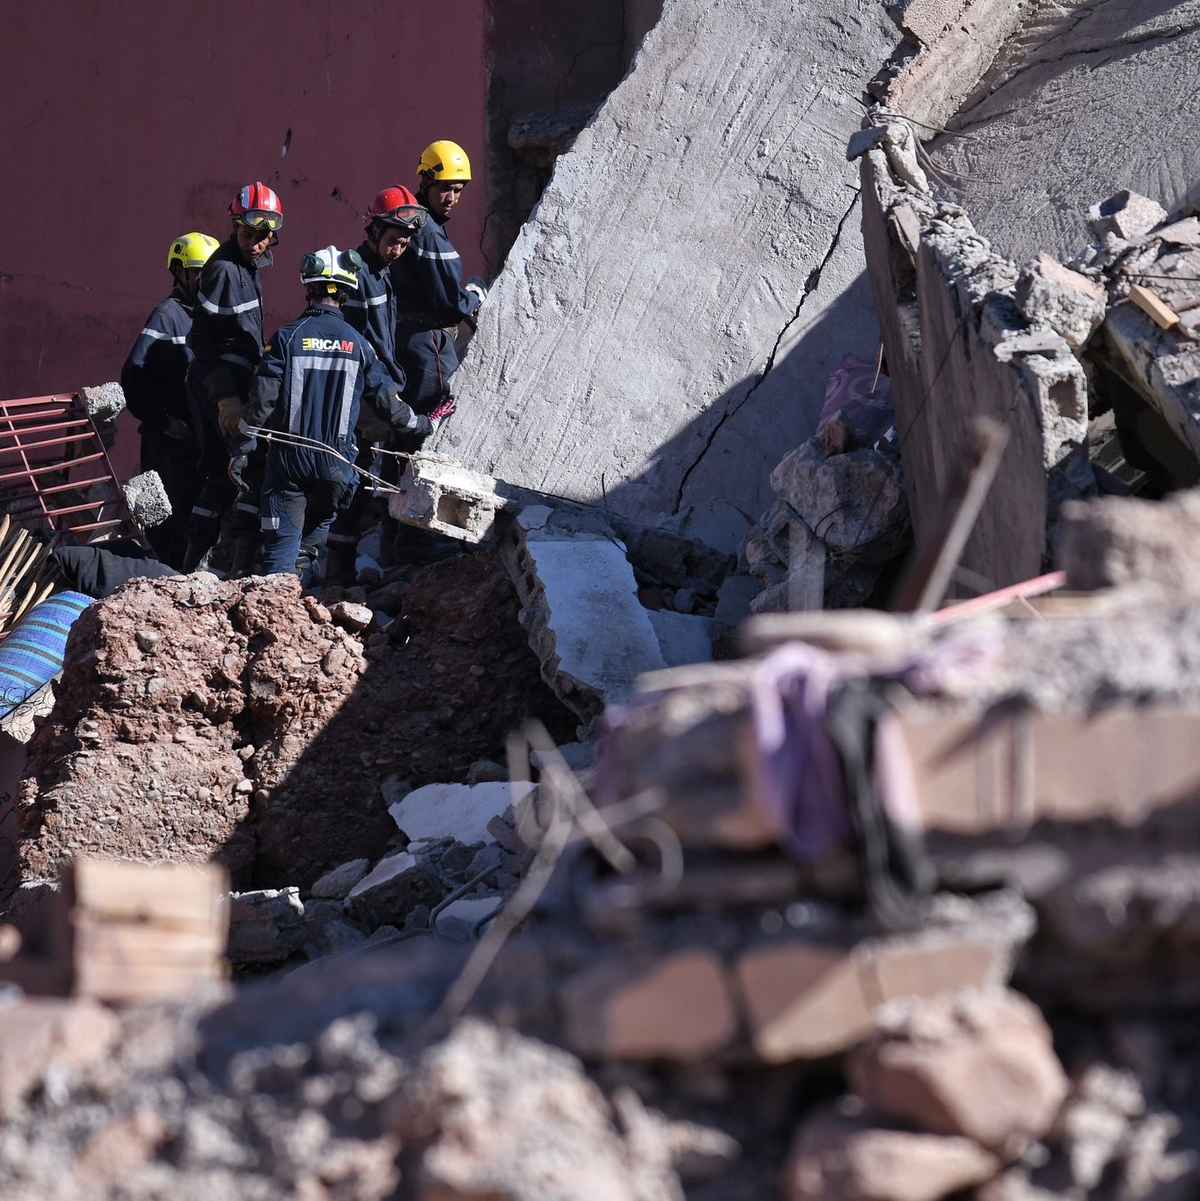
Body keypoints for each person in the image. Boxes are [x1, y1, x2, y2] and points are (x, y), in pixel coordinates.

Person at [228, 246, 440, 582]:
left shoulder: (286, 338)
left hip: (289, 461)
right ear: (347, 292)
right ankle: (299, 600)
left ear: (308, 288)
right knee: (310, 544)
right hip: (337, 465)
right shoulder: (359, 345)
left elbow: (260, 403)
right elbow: (391, 406)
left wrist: (240, 451)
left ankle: (275, 611)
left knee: (280, 550)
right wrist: (426, 424)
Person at [324, 187, 428, 584]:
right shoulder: (357, 276)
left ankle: (342, 568)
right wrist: (376, 403)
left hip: (379, 391)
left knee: (363, 481)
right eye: (392, 241)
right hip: (362, 398)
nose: (397, 250)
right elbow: (356, 348)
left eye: (403, 243)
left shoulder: (383, 274)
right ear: (372, 231)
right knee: (351, 480)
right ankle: (336, 571)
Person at [182, 180, 283, 574]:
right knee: (248, 469)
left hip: (226, 382)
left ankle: (193, 566)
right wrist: (226, 396)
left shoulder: (246, 267)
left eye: (263, 237)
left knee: (219, 476)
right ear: (234, 225)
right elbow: (203, 338)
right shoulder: (225, 269)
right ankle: (238, 568)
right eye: (247, 234)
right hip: (220, 385)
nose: (255, 243)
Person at [120, 232, 219, 566]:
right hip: (169, 446)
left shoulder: (208, 316)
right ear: (179, 271)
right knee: (169, 528)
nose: (206, 281)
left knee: (196, 521)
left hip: (198, 444)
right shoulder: (168, 315)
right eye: (198, 271)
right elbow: (134, 371)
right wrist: (161, 421)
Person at [392, 140, 486, 418]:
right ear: (425, 181)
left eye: (458, 190)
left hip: (403, 337)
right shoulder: (429, 232)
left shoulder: (411, 222)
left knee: (405, 422)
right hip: (428, 344)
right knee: (430, 421)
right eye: (445, 188)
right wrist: (474, 296)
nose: (452, 198)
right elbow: (450, 302)